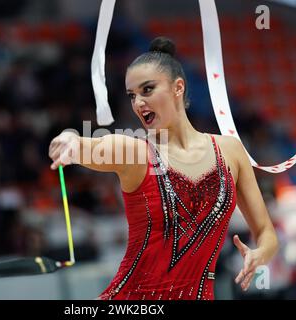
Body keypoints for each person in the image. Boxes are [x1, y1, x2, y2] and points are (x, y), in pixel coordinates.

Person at [48, 37, 279, 300]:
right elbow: (92, 144)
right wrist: (70, 141)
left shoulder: (230, 151)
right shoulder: (136, 152)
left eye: (147, 90)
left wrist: (260, 254)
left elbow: (266, 234)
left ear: (177, 87)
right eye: (132, 95)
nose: (137, 103)